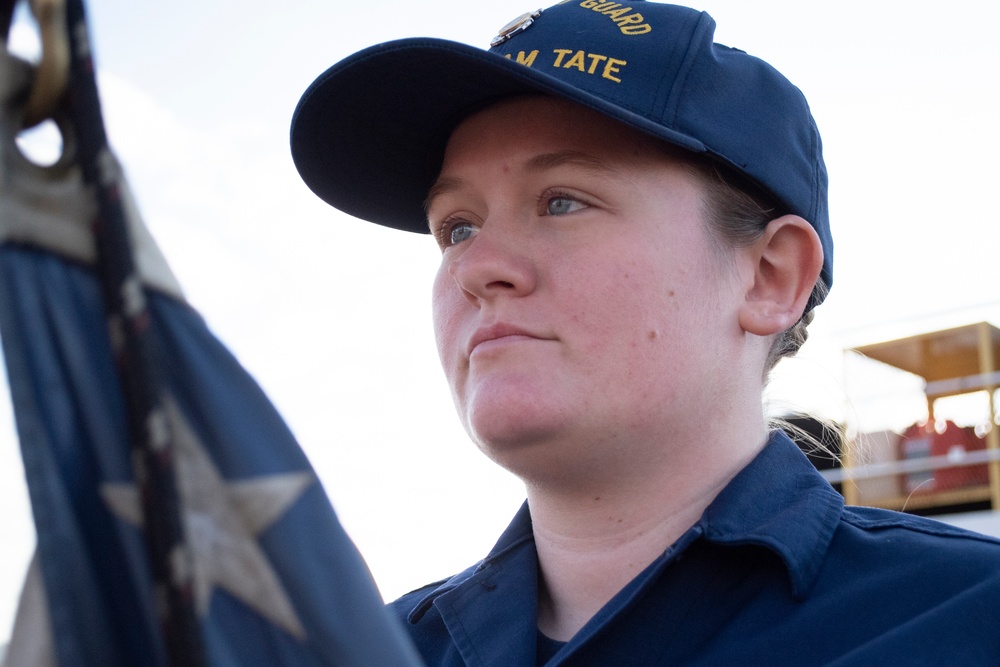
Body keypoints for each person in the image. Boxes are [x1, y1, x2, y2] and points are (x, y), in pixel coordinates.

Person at [289, 1, 1000, 665]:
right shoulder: (370, 651)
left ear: (770, 277)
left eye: (561, 201)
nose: (478, 267)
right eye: (457, 227)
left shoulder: (968, 620)